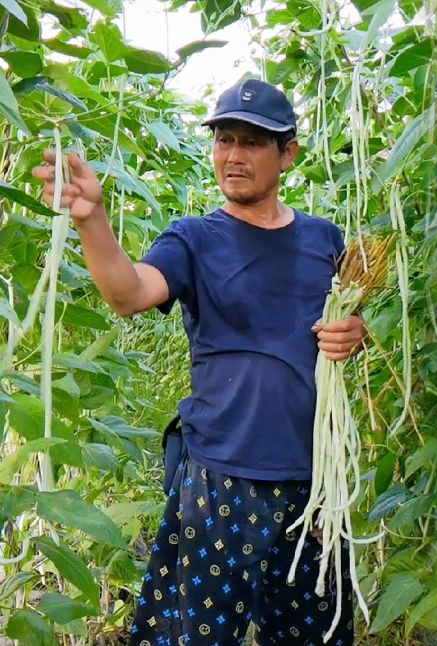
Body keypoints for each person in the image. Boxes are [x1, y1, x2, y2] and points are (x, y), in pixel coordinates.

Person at [32, 78, 365, 646]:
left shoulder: (324, 239)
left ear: (288, 154)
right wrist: (93, 220)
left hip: (316, 482)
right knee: (200, 636)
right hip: (222, 478)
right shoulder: (194, 238)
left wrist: (355, 334)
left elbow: (348, 328)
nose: (233, 155)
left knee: (315, 635)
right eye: (224, 139)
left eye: (253, 142)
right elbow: (128, 292)